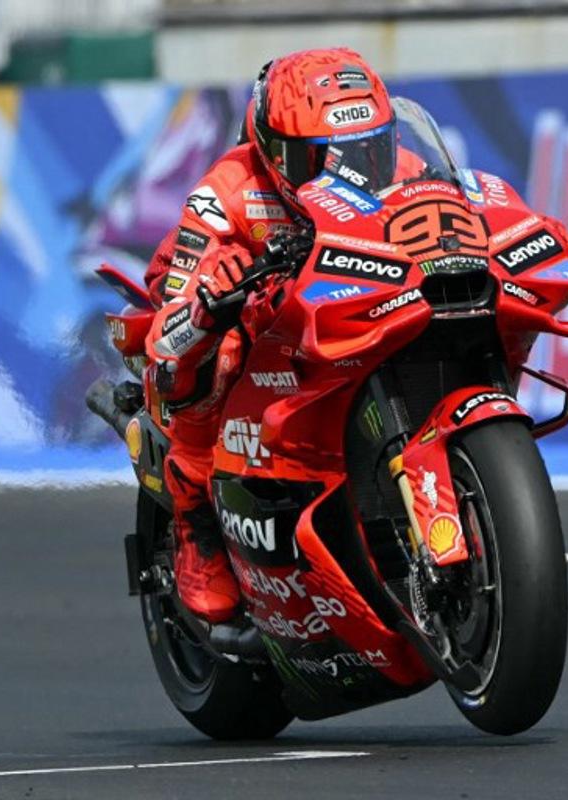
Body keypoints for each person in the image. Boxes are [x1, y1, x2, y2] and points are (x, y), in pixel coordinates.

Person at [140, 48, 398, 623]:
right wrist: (211, 305)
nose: (348, 170)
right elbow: (166, 336)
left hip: (337, 313)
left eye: (369, 149)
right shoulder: (225, 193)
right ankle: (195, 522)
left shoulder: (400, 173)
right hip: (245, 321)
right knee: (216, 352)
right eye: (319, 159)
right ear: (273, 151)